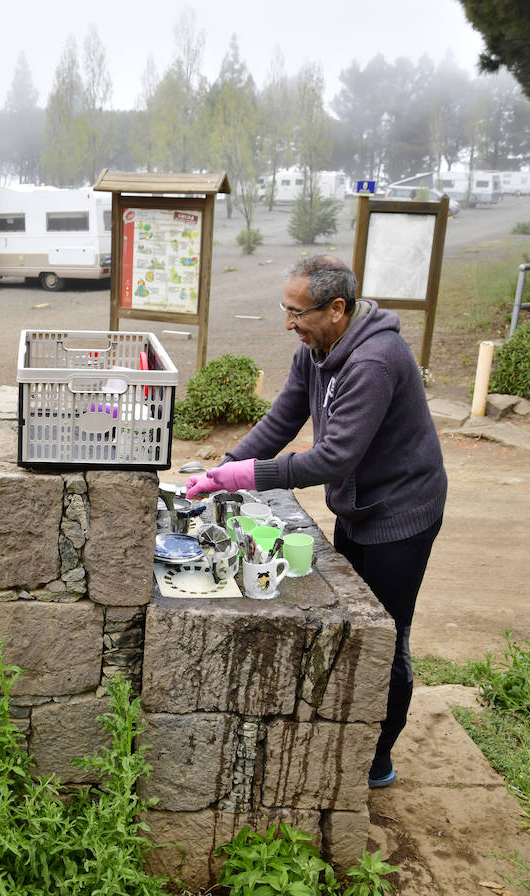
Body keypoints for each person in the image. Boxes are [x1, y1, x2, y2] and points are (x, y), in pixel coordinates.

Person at [187, 256, 447, 789]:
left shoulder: (375, 360)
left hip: (402, 513)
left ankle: (378, 756)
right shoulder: (317, 348)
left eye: (296, 312)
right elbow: (283, 418)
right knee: (356, 618)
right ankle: (351, 733)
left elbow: (332, 459)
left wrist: (247, 477)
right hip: (359, 505)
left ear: (336, 308)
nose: (289, 324)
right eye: (285, 309)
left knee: (386, 633)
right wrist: (226, 467)